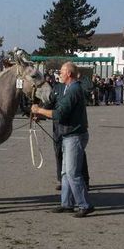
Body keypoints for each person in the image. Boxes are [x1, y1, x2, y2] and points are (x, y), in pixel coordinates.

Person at [31, 62, 94, 218]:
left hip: (75, 135)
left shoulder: (73, 90)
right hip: (67, 135)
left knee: (72, 173)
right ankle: (67, 204)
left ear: (69, 74)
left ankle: (85, 204)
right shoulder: (66, 88)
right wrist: (40, 114)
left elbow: (60, 114)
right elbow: (54, 105)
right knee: (65, 172)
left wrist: (39, 110)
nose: (59, 73)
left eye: (62, 71)